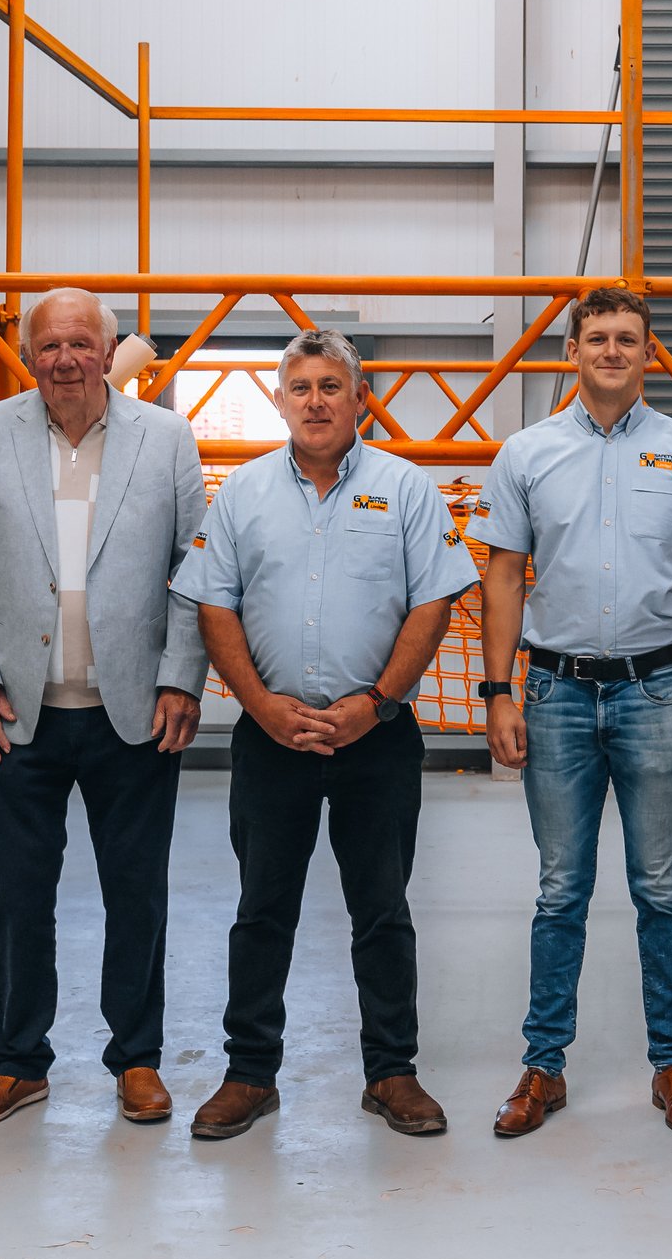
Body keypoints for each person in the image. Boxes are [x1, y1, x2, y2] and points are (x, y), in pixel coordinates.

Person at [172, 328, 478, 1141]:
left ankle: (392, 1072)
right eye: (300, 387)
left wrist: (376, 701)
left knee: (381, 908)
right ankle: (249, 1074)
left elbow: (434, 602)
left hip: (375, 736)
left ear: (359, 397)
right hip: (271, 738)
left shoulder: (408, 489)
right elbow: (213, 604)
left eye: (330, 386)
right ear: (280, 401)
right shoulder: (239, 494)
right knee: (261, 908)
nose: (315, 401)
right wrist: (260, 705)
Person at [474, 287, 672, 1140]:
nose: (614, 350)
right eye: (598, 337)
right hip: (553, 693)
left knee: (660, 887)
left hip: (657, 691)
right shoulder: (525, 453)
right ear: (573, 351)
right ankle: (542, 1067)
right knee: (560, 890)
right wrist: (498, 691)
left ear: (649, 353)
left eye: (629, 338)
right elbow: (504, 578)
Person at [0, 286, 209, 1131]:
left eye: (81, 343)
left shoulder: (165, 439)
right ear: (30, 354)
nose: (65, 359)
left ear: (109, 348)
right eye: (49, 345)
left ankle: (136, 1059)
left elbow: (199, 575)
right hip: (17, 716)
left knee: (138, 893)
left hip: (134, 712)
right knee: (19, 895)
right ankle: (18, 1064)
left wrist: (181, 679)